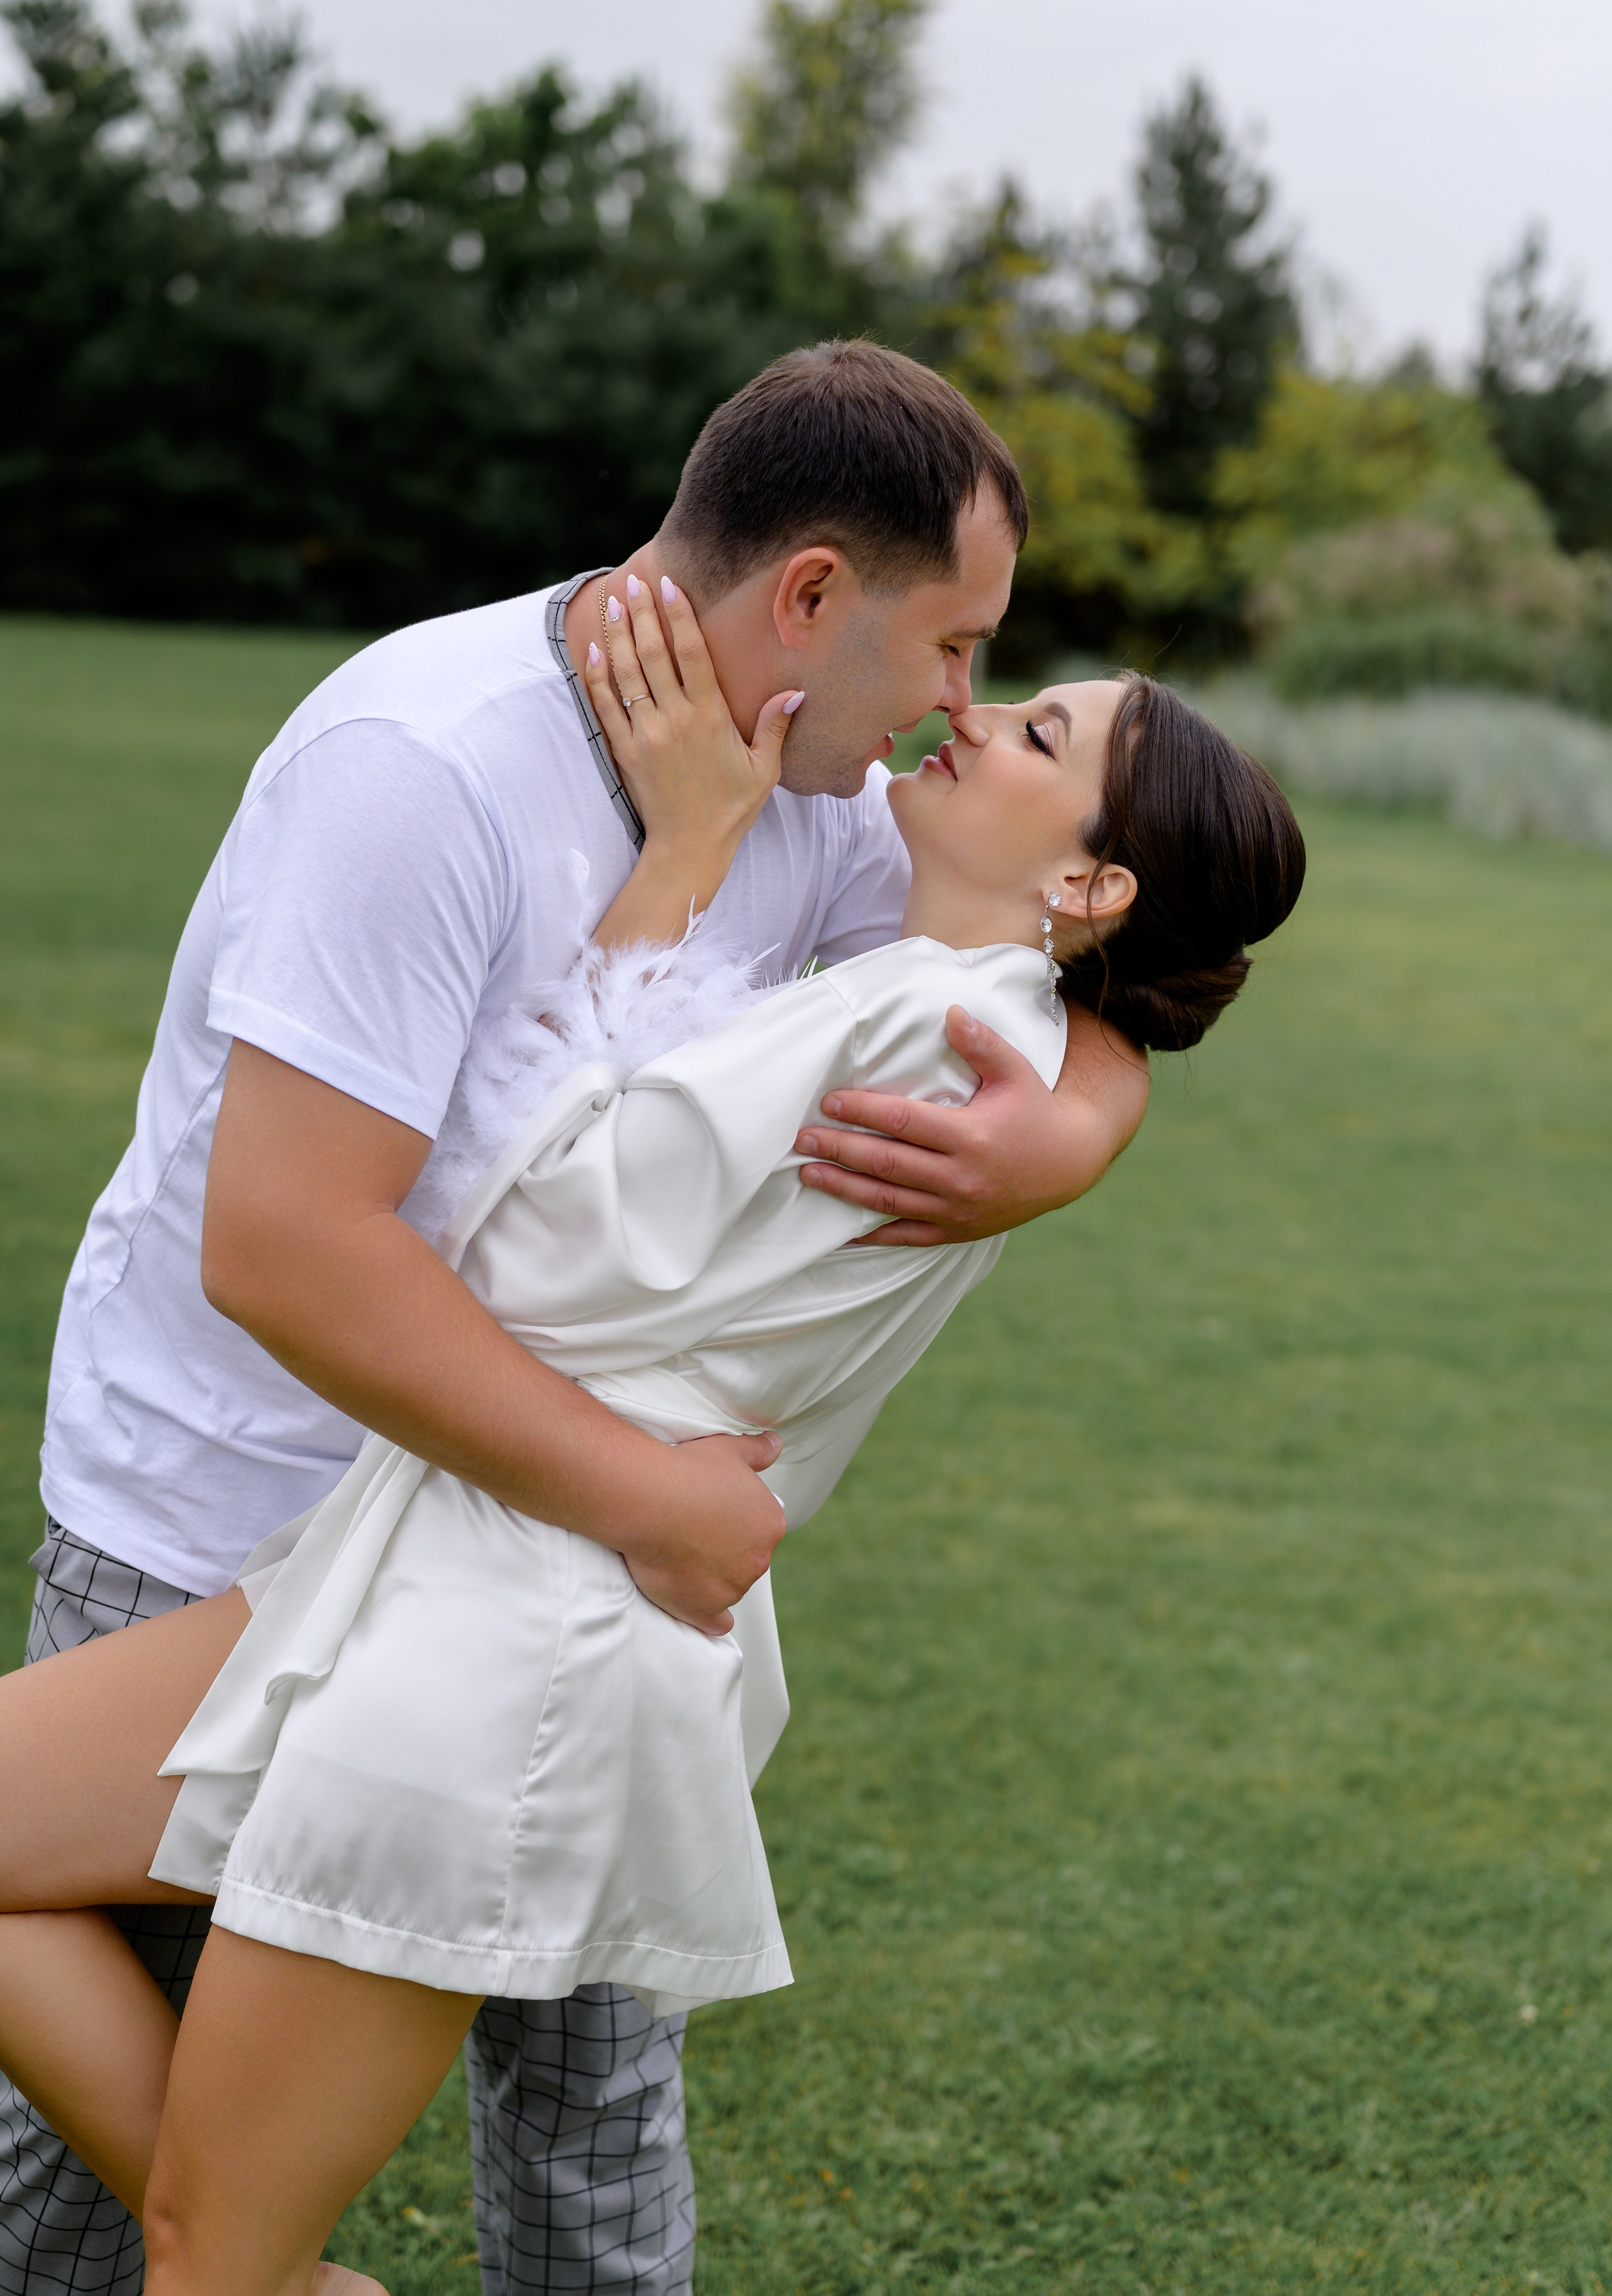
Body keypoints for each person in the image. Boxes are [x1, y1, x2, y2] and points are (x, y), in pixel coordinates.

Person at [0, 339, 1154, 2296]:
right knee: (88, 2197)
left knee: (593, 2116)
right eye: (953, 647)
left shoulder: (829, 788)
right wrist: (649, 1495)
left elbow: (1072, 947)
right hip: (234, 1504)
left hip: (536, 1587)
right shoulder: (433, 763)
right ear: (809, 598)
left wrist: (1070, 1143)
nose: (960, 704)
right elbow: (287, 1251)